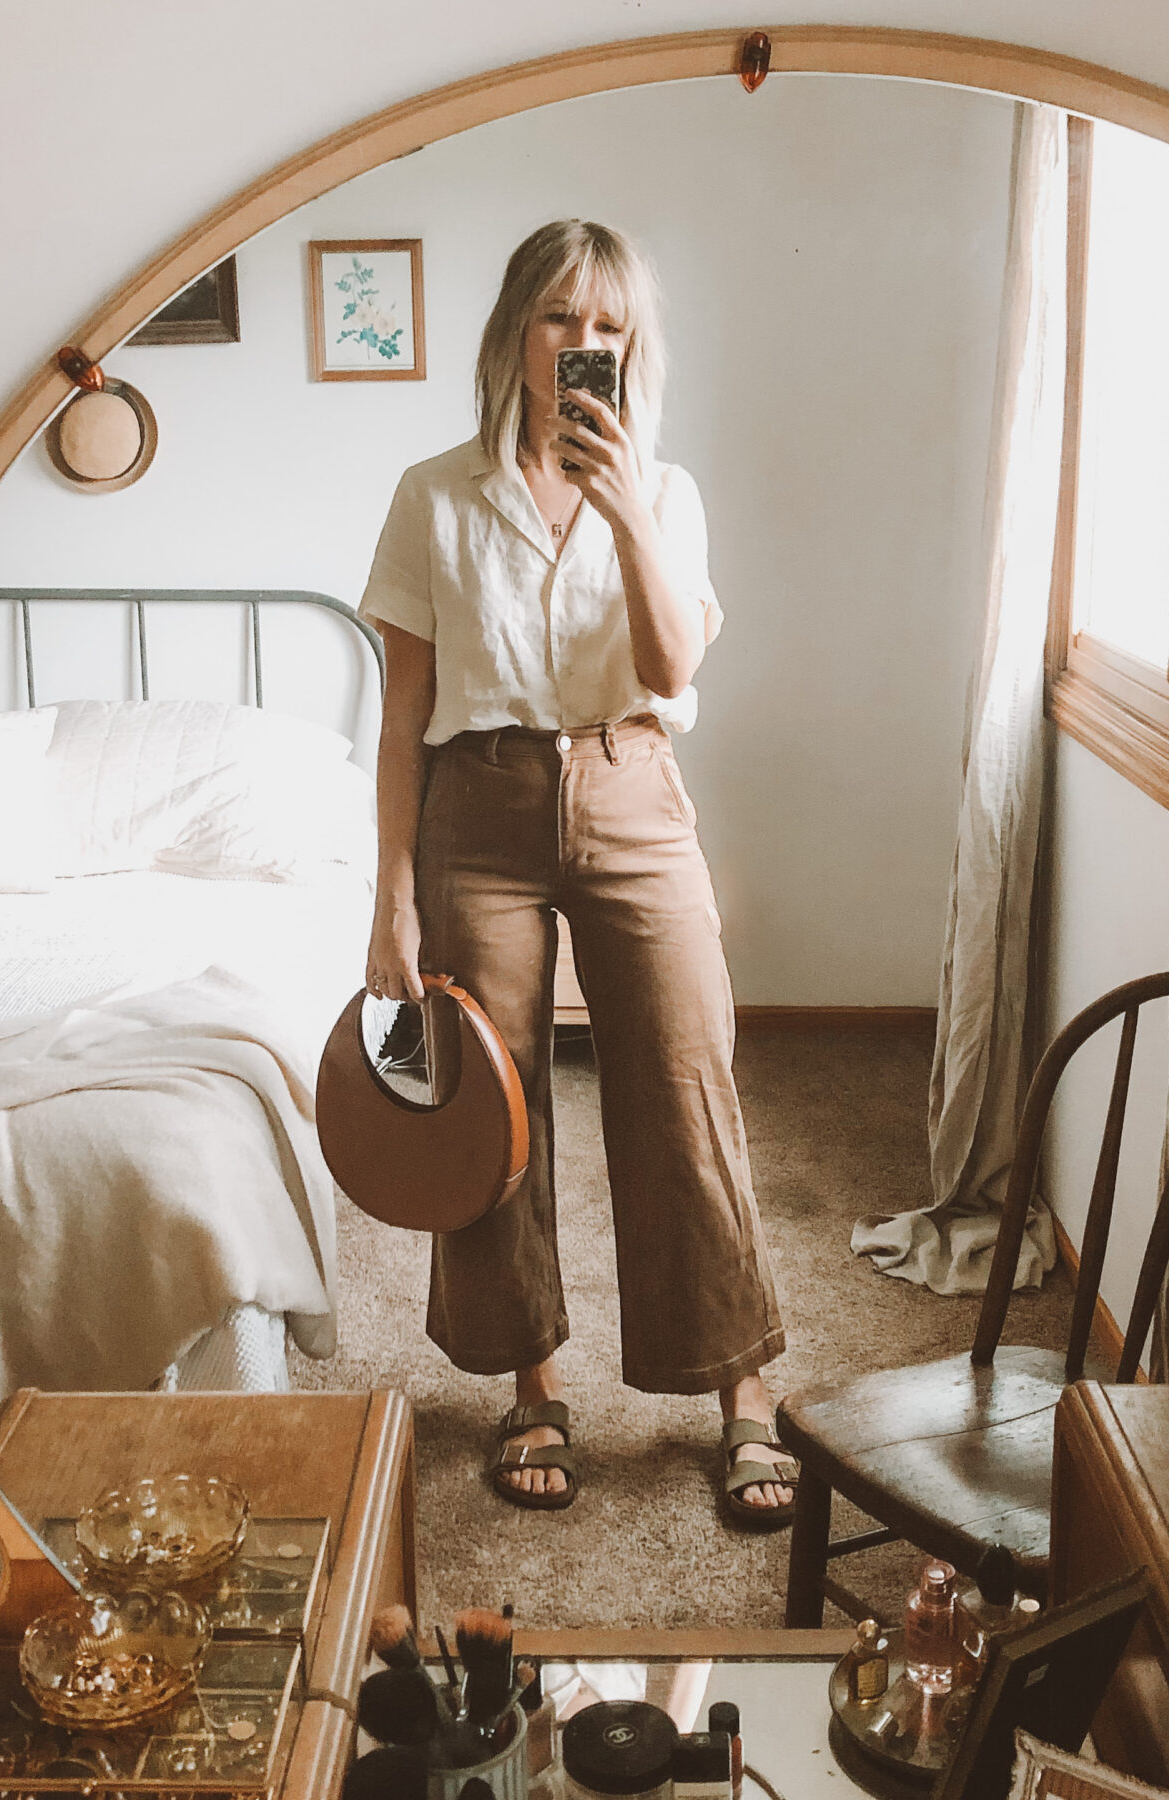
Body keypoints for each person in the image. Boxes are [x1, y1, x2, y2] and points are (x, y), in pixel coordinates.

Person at [358, 219, 795, 1525]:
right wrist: (385, 894)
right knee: (492, 1108)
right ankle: (530, 1387)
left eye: (609, 329)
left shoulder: (666, 493)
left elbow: (671, 669)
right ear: (515, 337)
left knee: (683, 1076)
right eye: (562, 322)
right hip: (474, 808)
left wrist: (620, 507)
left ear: (631, 349)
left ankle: (743, 1393)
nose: (585, 348)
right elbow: (397, 717)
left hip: (629, 789)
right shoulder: (434, 496)